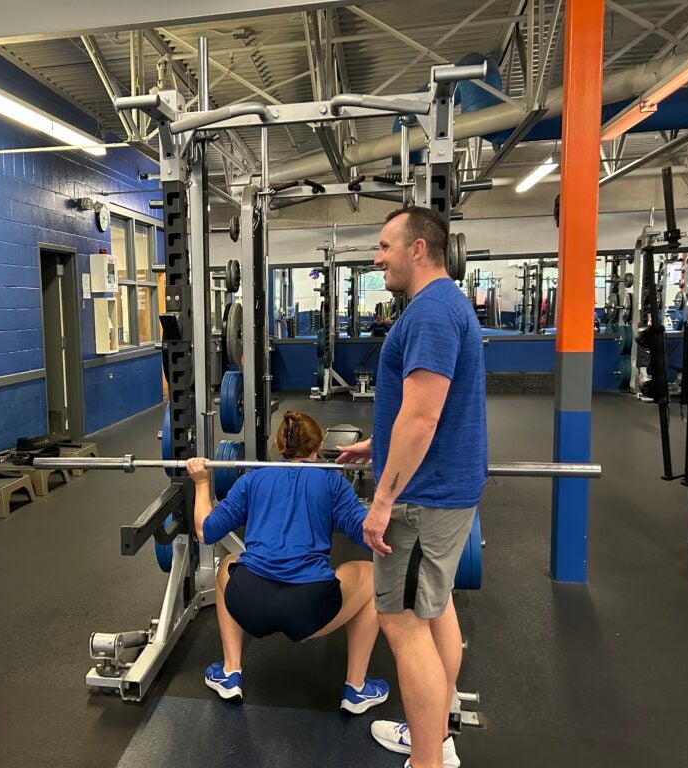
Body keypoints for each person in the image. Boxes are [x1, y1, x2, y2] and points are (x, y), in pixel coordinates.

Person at [337, 206, 486, 768]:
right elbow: (423, 409)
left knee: (403, 628)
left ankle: (426, 760)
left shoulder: (428, 313)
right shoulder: (448, 305)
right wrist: (376, 444)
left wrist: (380, 502)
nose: (377, 259)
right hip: (444, 488)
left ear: (417, 249)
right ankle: (435, 738)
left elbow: (422, 420)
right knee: (435, 609)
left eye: (383, 247)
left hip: (423, 500)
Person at [185, 411, 388, 713]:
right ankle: (356, 688)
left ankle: (230, 672)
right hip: (311, 610)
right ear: (318, 446)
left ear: (280, 446)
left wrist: (201, 482)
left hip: (251, 603)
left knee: (228, 562)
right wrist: (386, 492)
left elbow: (206, 531)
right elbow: (370, 537)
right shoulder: (333, 483)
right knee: (372, 574)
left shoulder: (252, 479)